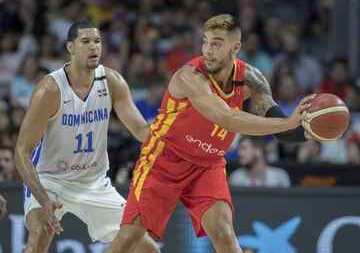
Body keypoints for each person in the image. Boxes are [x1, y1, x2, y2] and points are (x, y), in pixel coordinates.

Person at [105, 14, 315, 253]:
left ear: (235, 47)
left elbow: (278, 124)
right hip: (164, 159)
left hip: (207, 165)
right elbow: (227, 118)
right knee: (128, 240)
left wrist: (308, 127)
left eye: (216, 43)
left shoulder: (252, 79)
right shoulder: (190, 76)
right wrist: (287, 123)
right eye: (205, 42)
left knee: (226, 236)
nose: (208, 50)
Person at [14, 21, 159, 253]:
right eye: (86, 41)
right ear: (70, 47)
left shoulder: (112, 82)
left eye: (98, 41)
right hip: (51, 180)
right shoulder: (50, 89)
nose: (94, 47)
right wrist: (43, 198)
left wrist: (168, 132)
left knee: (147, 249)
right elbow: (21, 152)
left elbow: (141, 131)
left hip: (94, 182)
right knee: (41, 232)